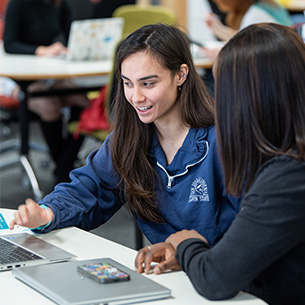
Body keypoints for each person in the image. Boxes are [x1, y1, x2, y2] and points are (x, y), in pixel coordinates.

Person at [9, 24, 240, 248]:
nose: (136, 97)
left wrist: (188, 254)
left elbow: (249, 230)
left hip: (221, 274)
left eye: (148, 83)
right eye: (127, 84)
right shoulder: (129, 138)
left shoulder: (224, 140)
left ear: (180, 75)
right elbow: (90, 189)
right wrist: (48, 213)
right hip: (170, 273)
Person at [134, 23, 305, 305]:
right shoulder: (285, 159)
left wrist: (186, 242)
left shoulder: (287, 177)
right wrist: (196, 256)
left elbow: (216, 280)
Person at [3, 0, 89, 184]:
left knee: (83, 101)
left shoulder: (59, 4)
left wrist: (64, 48)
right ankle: (63, 170)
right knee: (49, 106)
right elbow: (10, 44)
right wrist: (42, 51)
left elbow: (68, 36)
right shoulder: (18, 4)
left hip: (51, 71)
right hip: (23, 76)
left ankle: (64, 163)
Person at [202, 0, 291, 59]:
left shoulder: (255, 14)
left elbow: (245, 47)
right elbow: (240, 36)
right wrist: (217, 28)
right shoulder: (266, 5)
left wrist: (222, 53)